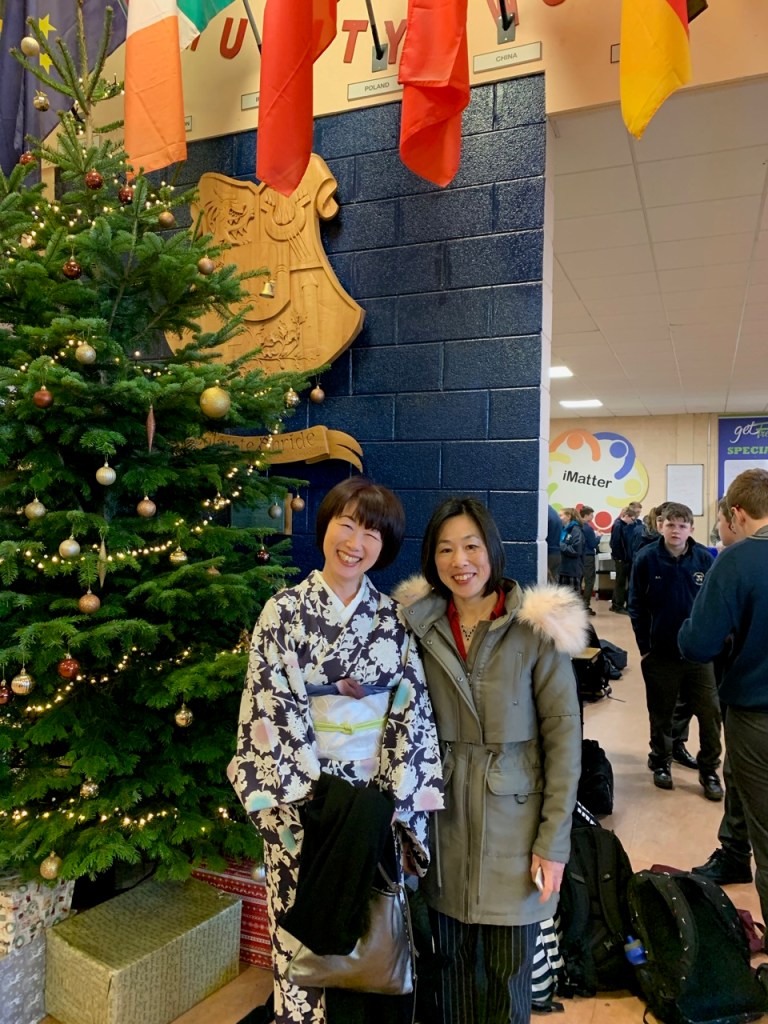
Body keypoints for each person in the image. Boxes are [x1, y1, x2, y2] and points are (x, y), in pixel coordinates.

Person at [228, 478, 444, 1024]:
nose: (355, 542)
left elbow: (410, 714)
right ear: (325, 526)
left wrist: (389, 804)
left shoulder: (394, 621)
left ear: (384, 546)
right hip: (304, 806)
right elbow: (269, 711)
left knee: (371, 932)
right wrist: (312, 802)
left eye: (372, 533)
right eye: (346, 525)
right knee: (299, 934)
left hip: (374, 807)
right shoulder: (282, 613)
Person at [396, 497, 585, 1024]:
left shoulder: (535, 628)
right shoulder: (417, 625)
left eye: (471, 546)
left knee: (506, 980)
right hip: (444, 823)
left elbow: (564, 739)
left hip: (515, 826)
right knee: (452, 973)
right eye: (445, 549)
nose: (460, 561)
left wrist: (553, 842)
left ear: (493, 549)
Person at [681, 474, 768, 903]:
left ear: (736, 513)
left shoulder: (737, 560)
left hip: (757, 713)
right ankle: (734, 854)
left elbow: (698, 644)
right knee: (737, 780)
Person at [628, 501, 722, 799]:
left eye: (682, 526)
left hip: (698, 654)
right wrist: (645, 648)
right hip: (661, 653)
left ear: (691, 529)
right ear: (660, 526)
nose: (676, 531)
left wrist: (711, 643)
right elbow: (635, 606)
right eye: (670, 525)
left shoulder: (704, 558)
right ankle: (661, 761)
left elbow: (714, 604)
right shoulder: (646, 559)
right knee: (661, 713)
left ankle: (709, 769)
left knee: (710, 713)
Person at [579, 506, 600, 615]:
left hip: (579, 556)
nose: (593, 517)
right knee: (589, 581)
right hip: (588, 556)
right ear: (586, 515)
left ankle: (578, 605)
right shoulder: (587, 528)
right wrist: (599, 537)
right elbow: (593, 543)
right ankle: (585, 605)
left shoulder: (577, 525)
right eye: (591, 515)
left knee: (579, 580)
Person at [558, 506, 584, 592]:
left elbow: (576, 550)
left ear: (568, 516)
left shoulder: (575, 530)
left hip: (572, 570)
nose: (558, 518)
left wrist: (559, 544)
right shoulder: (563, 530)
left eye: (561, 515)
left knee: (572, 597)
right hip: (563, 569)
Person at [546, 504, 562, 583]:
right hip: (556, 553)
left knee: (546, 583)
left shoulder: (544, 513)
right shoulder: (554, 513)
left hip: (548, 554)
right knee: (553, 583)